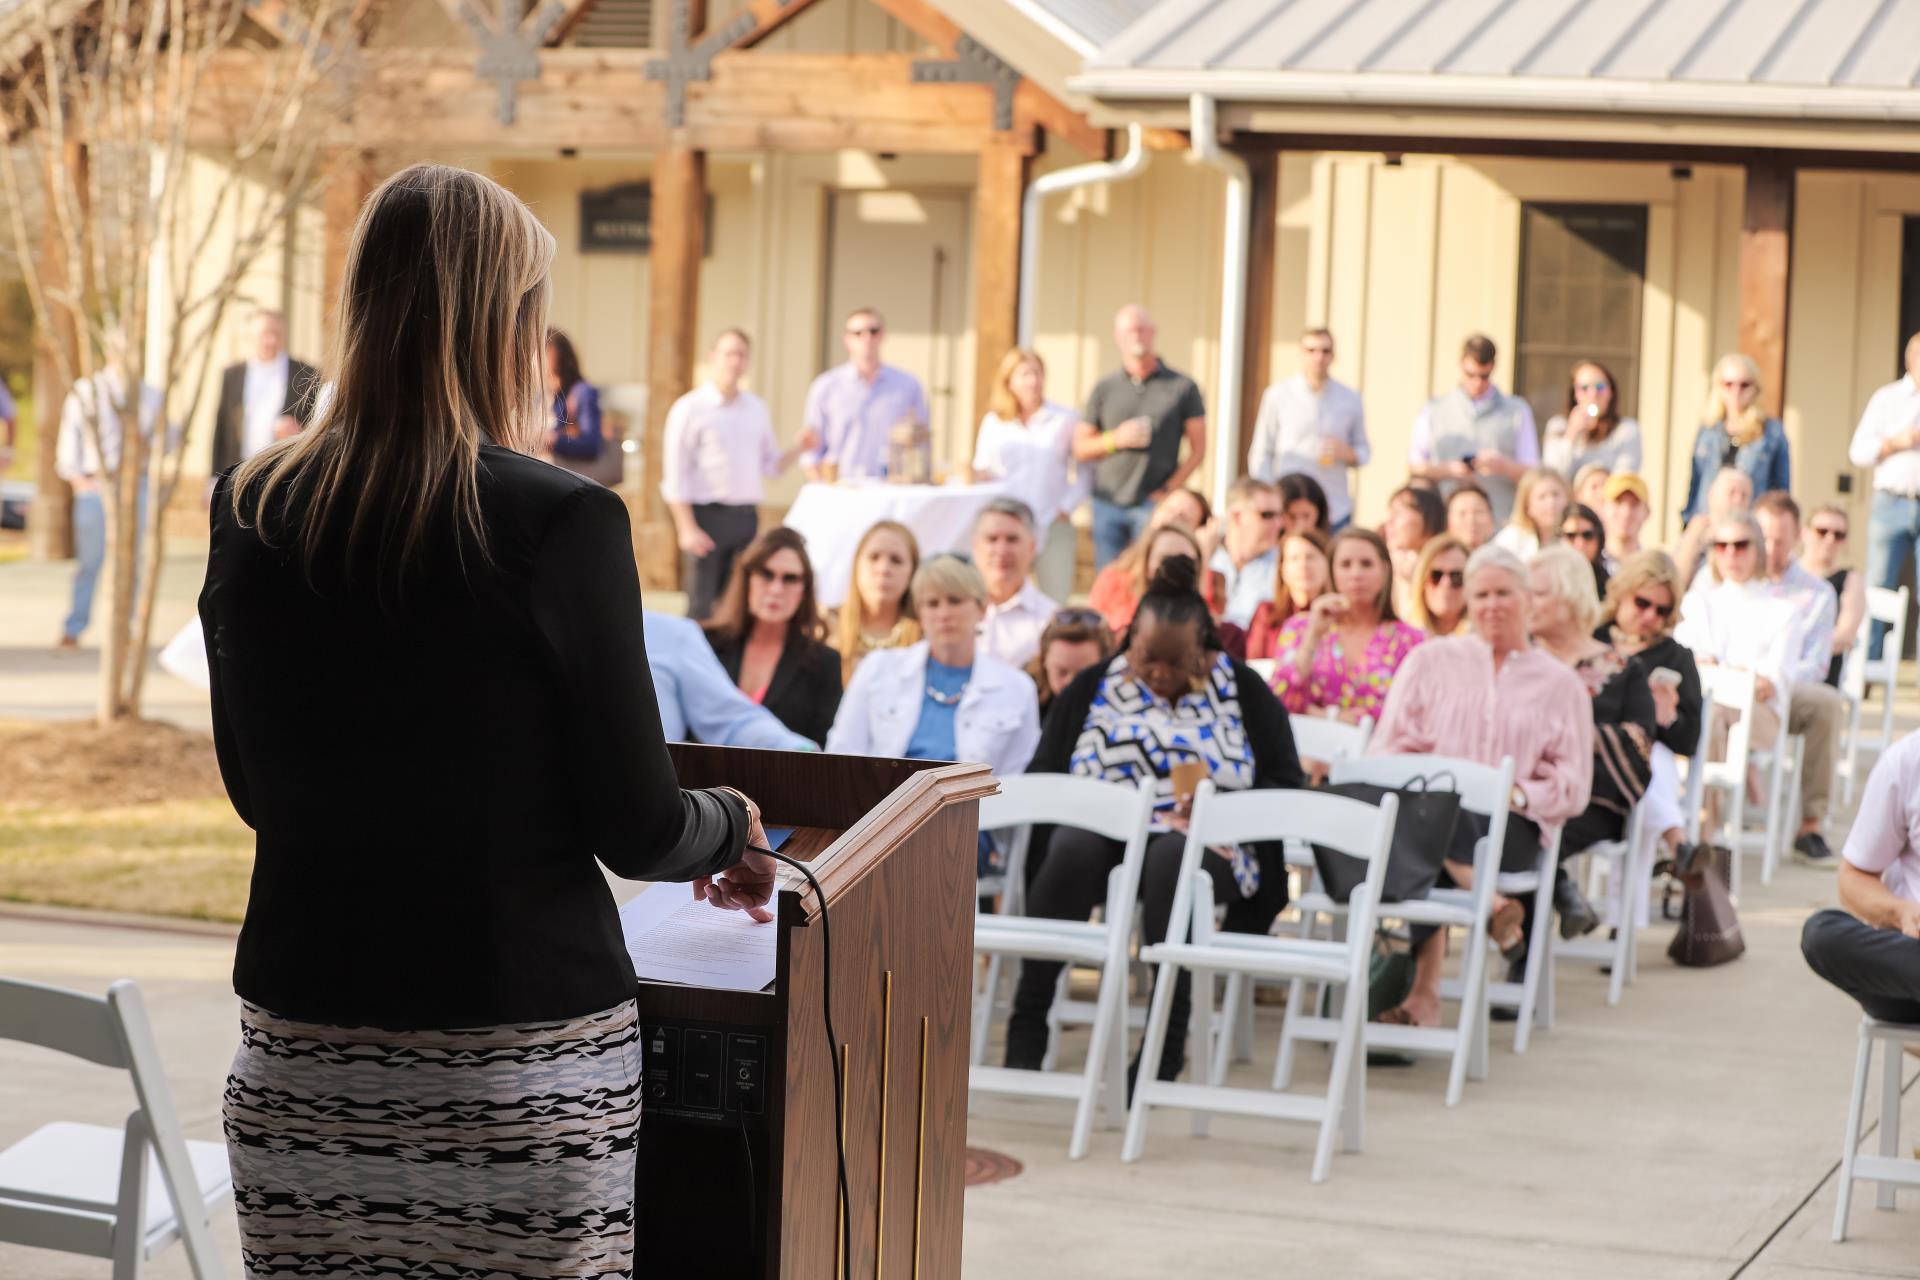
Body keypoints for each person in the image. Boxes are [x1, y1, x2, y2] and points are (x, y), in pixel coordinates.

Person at [203, 165, 771, 1276]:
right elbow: (640, 825)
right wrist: (732, 819)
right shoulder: (563, 520)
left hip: (305, 1051)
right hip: (517, 1064)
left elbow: (253, 792)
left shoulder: (250, 505)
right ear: (510, 325)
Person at [1008, 555, 1304, 1083]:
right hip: (1106, 833)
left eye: (1178, 662)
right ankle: (1029, 1017)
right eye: (1148, 660)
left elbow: (1286, 781)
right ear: (1128, 643)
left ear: (1206, 648)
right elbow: (1045, 772)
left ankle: (1167, 1035)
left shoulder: (1244, 691)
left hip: (1212, 843)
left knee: (1173, 859)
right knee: (1072, 848)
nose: (1161, 675)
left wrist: (1220, 806)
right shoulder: (1096, 685)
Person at [1368, 544, 1593, 1028]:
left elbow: (1574, 784)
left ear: (1528, 599)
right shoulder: (1430, 661)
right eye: (1482, 594)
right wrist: (1432, 781)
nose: (1492, 605)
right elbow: (1385, 751)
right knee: (1426, 822)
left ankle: (1426, 992)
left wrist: (1518, 794)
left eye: (1504, 593)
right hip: (1428, 814)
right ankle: (1487, 905)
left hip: (1511, 829)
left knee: (1425, 836)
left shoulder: (1560, 684)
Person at [826, 554, 1041, 779]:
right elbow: (841, 755)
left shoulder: (1017, 687)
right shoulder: (877, 669)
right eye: (932, 603)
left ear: (982, 608)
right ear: (920, 614)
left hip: (979, 812)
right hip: (881, 809)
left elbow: (1015, 780)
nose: (944, 614)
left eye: (955, 600)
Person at [1528, 543, 1642, 941]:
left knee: (1525, 835)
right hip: (1520, 793)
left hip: (1592, 799)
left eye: (1538, 593)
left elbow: (1640, 744)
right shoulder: (1518, 663)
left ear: (1569, 597)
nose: (1526, 602)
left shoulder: (1624, 670)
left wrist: (1578, 737)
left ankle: (1522, 966)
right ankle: (1562, 892)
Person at [662, 329, 816, 621]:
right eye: (728, 353)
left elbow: (771, 467)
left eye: (741, 355)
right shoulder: (689, 408)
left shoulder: (756, 408)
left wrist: (800, 448)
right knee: (701, 607)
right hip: (706, 518)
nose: (735, 361)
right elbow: (675, 474)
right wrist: (686, 527)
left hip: (746, 520)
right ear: (713, 358)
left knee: (737, 606)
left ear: (748, 362)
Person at [1673, 509, 1801, 837]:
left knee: (1711, 716)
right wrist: (1735, 675)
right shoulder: (1698, 603)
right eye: (1721, 545)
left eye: (1741, 545)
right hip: (1709, 710)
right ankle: (1693, 837)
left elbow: (1767, 686)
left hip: (1759, 717)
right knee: (1705, 717)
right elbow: (1688, 666)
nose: (1731, 553)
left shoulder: (1782, 610)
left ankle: (1698, 834)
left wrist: (1719, 672)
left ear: (1757, 549)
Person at [1597, 551, 1704, 907]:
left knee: (1648, 763)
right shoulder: (1592, 640)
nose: (1649, 616)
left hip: (1650, 760)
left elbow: (1689, 741)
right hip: (1596, 758)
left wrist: (1668, 716)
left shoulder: (1677, 657)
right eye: (1642, 603)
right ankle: (1678, 843)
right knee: (1639, 763)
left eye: (1661, 610)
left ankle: (1621, 924)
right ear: (1622, 594)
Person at [1747, 491, 1848, 865]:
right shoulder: (1733, 577)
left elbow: (1817, 664)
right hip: (1736, 689)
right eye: (1764, 537)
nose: (1771, 547)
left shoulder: (1817, 593)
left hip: (1786, 691)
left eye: (1780, 538)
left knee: (1828, 704)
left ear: (1796, 538)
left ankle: (1810, 825)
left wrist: (1776, 679)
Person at [54, 328, 167, 648]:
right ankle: (74, 627)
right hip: (95, 487)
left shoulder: (151, 395)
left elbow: (166, 442)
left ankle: (127, 631)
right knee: (91, 561)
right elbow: (68, 442)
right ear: (109, 353)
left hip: (137, 484)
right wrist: (78, 480)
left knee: (132, 562)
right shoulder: (86, 391)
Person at [1073, 304, 1208, 568]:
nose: (1136, 335)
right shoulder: (1105, 388)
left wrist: (1169, 490)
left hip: (1151, 503)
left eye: (1141, 329)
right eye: (1129, 330)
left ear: (1152, 333)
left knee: (1146, 574)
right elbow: (1081, 447)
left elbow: (1198, 449)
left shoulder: (1182, 387)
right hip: (1108, 502)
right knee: (1108, 578)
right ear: (1117, 336)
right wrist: (1115, 440)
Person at [1801, 730, 1920, 1025]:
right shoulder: (1907, 761)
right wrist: (1901, 911)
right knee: (1822, 933)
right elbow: (1854, 878)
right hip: (1913, 967)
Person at [702, 527, 842, 746]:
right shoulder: (704, 644)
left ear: (804, 590)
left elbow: (819, 749)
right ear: (747, 579)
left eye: (790, 578)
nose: (776, 589)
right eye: (766, 575)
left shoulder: (824, 663)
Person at [1268, 528, 1423, 725]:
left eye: (1366, 564)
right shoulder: (1300, 627)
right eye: (1345, 564)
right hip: (1307, 749)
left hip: (1378, 751)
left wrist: (1323, 715)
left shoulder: (1409, 640)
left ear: (1385, 570)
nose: (1356, 574)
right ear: (1332, 571)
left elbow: (1411, 709)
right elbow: (1279, 697)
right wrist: (1313, 636)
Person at [971, 348, 1083, 601]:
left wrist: (1066, 506)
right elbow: (982, 469)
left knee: (1055, 597)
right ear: (1009, 380)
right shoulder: (994, 422)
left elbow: (1085, 472)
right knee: (1000, 594)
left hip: (1051, 522)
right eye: (1024, 374)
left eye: (1037, 373)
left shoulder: (1064, 418)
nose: (1032, 381)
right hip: (1007, 526)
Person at [1408, 333, 1539, 524]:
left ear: (1493, 367)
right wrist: (1448, 469)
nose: (1477, 383)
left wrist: (1504, 466)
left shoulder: (1517, 411)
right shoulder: (1434, 410)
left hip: (1499, 520)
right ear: (1461, 364)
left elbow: (1533, 474)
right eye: (1471, 375)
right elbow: (1415, 466)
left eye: (1484, 376)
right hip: (1447, 519)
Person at [1247, 327, 1369, 530]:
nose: (1318, 357)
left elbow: (1364, 450)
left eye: (1325, 351)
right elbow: (1261, 452)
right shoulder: (1278, 395)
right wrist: (1269, 500)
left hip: (1334, 506)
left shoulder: (1350, 398)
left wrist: (1348, 453)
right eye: (1311, 350)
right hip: (1289, 506)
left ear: (1333, 355)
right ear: (1301, 354)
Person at [1847, 331, 1920, 662]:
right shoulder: (1887, 399)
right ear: (1910, 359)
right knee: (1878, 586)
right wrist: (1896, 442)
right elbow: (1858, 452)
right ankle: (1868, 667)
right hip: (1891, 502)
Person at [800, 306, 929, 481]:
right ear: (847, 339)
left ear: (882, 335)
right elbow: (811, 448)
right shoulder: (826, 386)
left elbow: (921, 440)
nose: (867, 338)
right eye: (858, 333)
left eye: (873, 331)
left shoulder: (908, 385)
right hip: (841, 488)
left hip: (891, 488)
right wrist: (822, 485)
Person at [1682, 353, 1790, 523]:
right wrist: (1688, 521)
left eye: (1744, 385)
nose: (1736, 391)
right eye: (1728, 384)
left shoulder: (1771, 431)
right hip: (1708, 521)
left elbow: (1781, 490)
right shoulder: (1707, 428)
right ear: (1718, 387)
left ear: (1756, 388)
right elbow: (1695, 483)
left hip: (1750, 525)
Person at [209, 308, 319, 476]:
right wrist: (214, 477)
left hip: (285, 474)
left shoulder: (306, 375)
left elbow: (319, 428)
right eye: (265, 334)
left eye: (277, 334)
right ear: (250, 336)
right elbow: (222, 426)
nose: (271, 340)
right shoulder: (232, 374)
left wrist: (301, 433)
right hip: (238, 472)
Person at [1088, 520, 1222, 634]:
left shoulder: (1207, 624)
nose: (1173, 566)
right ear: (1147, 562)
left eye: (1184, 560)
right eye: (1164, 558)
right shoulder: (1114, 586)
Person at [973, 497, 1059, 669]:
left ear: (1032, 547)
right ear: (975, 547)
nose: (1001, 550)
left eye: (1012, 539)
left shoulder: (1051, 620)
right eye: (992, 539)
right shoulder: (948, 608)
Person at [832, 519, 922, 683]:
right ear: (856, 565)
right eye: (874, 557)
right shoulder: (824, 628)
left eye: (896, 560)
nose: (883, 569)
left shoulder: (927, 636)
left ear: (912, 571)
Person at [1801, 503, 1868, 687]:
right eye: (1822, 531)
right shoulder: (1789, 573)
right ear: (1804, 532)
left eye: (1838, 535)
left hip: (1820, 678)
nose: (1830, 539)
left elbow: (1844, 637)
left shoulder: (1850, 579)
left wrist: (1796, 651)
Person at [1542, 359, 1642, 480]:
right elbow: (1552, 476)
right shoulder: (1558, 426)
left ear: (1611, 392)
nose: (1593, 394)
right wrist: (1571, 434)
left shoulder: (1626, 429)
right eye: (1584, 388)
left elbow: (1624, 478)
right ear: (1574, 393)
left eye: (1600, 387)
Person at [1244, 527, 1331, 660]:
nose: (1303, 565)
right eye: (1294, 558)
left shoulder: (1339, 615)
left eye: (1310, 557)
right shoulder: (1266, 613)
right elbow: (1255, 663)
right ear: (1282, 569)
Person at [1210, 475, 1282, 627]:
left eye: (1279, 515)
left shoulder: (1286, 565)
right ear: (1236, 516)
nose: (1278, 524)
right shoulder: (1206, 556)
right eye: (1267, 515)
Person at [1674, 466, 1754, 592]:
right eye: (1732, 493)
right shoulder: (1698, 529)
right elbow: (1677, 579)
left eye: (1744, 495)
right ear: (1712, 495)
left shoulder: (1753, 535)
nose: (1738, 500)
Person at [1028, 607, 1116, 719]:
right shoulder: (1023, 699)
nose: (1071, 683)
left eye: (1084, 674)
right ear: (1044, 661)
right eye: (1061, 671)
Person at [542, 329, 606, 476]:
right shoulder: (543, 394)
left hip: (570, 479)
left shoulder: (582, 392)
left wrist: (553, 440)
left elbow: (591, 446)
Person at [1384, 482, 1446, 618]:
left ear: (1428, 517)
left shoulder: (1449, 567)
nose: (1389, 521)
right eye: (1389, 513)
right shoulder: (1382, 567)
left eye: (1398, 513)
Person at [1492, 467, 1569, 559]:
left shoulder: (1579, 536)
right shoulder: (1510, 539)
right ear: (1527, 506)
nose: (1551, 503)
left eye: (1555, 494)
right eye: (1542, 497)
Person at [1407, 533, 1470, 637]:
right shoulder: (1402, 640)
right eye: (1436, 575)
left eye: (1457, 576)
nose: (1446, 583)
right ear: (1421, 582)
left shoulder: (1485, 640)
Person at [1599, 472, 1651, 574]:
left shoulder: (1653, 569)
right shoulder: (1589, 564)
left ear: (1647, 512)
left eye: (1634, 504)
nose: (1626, 513)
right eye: (1618, 502)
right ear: (1603, 508)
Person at [1561, 501, 1609, 598]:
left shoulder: (1608, 586)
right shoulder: (1548, 582)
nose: (1580, 543)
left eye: (1587, 535)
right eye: (1571, 535)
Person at [1277, 471, 1332, 535]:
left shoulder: (1333, 543)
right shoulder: (1267, 544)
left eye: (1306, 516)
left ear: (1320, 513)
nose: (1300, 527)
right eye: (1292, 517)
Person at [1445, 484, 1496, 550]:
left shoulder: (1505, 556)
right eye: (1462, 513)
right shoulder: (1436, 558)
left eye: (1478, 512)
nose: (1471, 520)